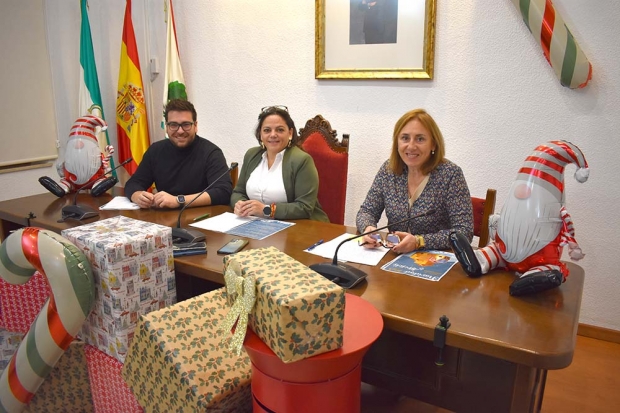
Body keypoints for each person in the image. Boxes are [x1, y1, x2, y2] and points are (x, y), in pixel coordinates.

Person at [356, 109, 473, 253]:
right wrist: (368, 229)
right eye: (405, 138)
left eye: (420, 139)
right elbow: (366, 211)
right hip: (393, 256)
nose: (411, 146)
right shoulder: (388, 170)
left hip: (435, 261)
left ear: (433, 144)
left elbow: (464, 232)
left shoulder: (451, 175)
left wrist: (419, 241)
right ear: (397, 142)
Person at [125, 99, 232, 209]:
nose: (180, 131)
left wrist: (179, 200)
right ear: (166, 127)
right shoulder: (155, 150)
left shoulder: (211, 153)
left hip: (200, 217)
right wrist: (137, 196)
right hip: (164, 218)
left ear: (195, 126)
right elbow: (133, 183)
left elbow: (223, 192)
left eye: (186, 125)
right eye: (173, 125)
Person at [231, 106, 329, 222]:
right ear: (260, 134)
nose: (273, 135)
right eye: (267, 130)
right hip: (254, 224)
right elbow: (238, 192)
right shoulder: (251, 155)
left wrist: (266, 210)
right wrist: (240, 204)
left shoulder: (302, 160)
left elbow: (305, 207)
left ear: (290, 133)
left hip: (297, 228)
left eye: (280, 130)